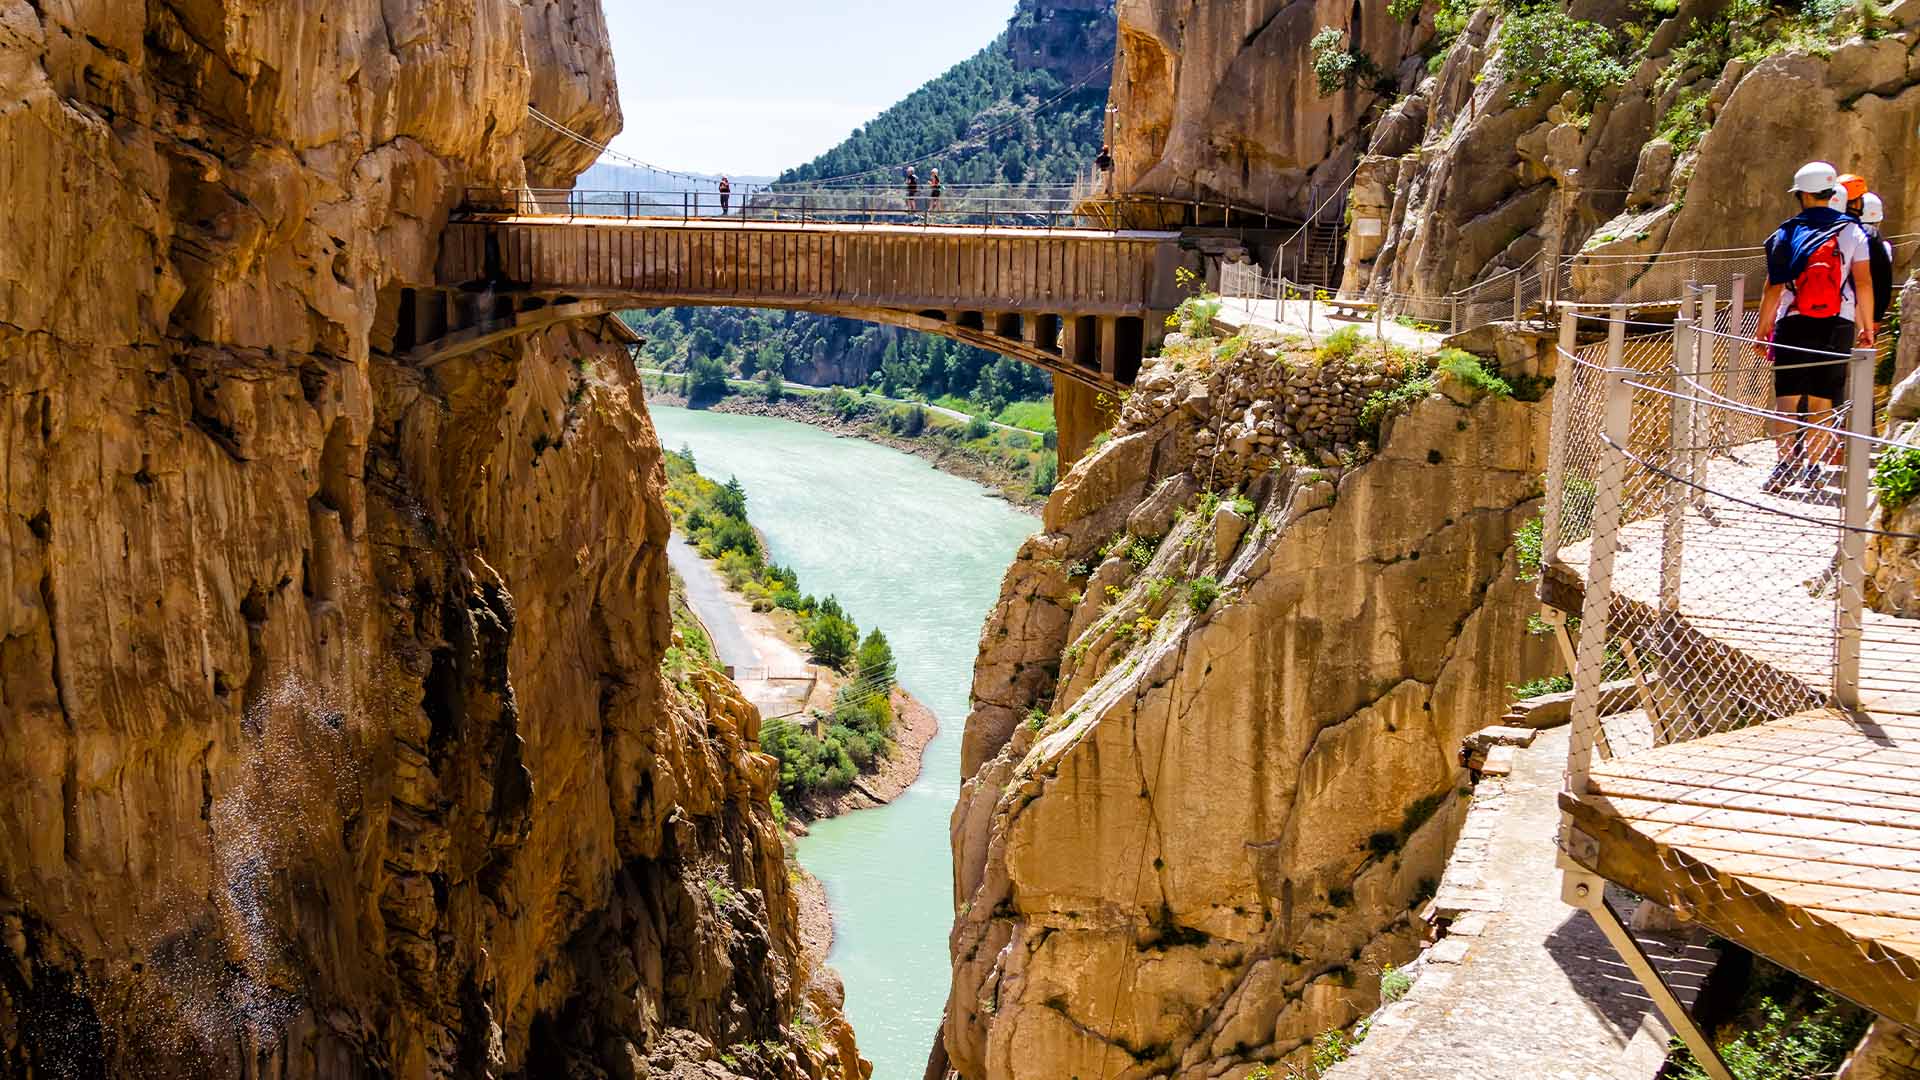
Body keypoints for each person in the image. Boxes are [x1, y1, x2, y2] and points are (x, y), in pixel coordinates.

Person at [1755, 160, 1877, 490]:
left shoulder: (1787, 231)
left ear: (1803, 196)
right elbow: (1863, 282)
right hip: (1839, 322)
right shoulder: (1853, 231)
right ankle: (1814, 468)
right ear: (1830, 192)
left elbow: (1774, 286)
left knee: (1788, 399)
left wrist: (1763, 327)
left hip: (1793, 321)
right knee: (1823, 398)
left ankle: (1784, 466)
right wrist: (1867, 326)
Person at [1860, 191, 1895, 332]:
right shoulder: (1883, 247)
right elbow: (1884, 283)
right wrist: (1877, 317)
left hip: (1842, 309)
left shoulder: (1845, 236)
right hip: (1868, 310)